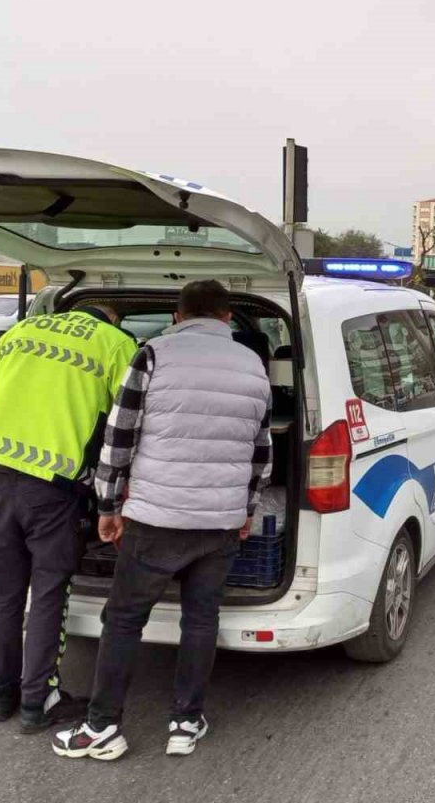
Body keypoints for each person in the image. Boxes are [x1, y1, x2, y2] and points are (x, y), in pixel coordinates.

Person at [53, 280, 272, 762]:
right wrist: (246, 511)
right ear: (227, 318)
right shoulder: (254, 364)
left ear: (178, 315)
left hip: (155, 518)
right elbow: (260, 451)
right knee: (201, 619)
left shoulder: (153, 354)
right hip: (219, 521)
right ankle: (185, 721)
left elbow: (120, 435)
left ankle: (102, 726)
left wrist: (108, 507)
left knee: (125, 619)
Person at [0, 300, 137, 732]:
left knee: (2, 593)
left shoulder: (21, 332)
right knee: (48, 593)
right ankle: (40, 701)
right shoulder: (116, 343)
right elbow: (126, 420)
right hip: (52, 487)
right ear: (112, 317)